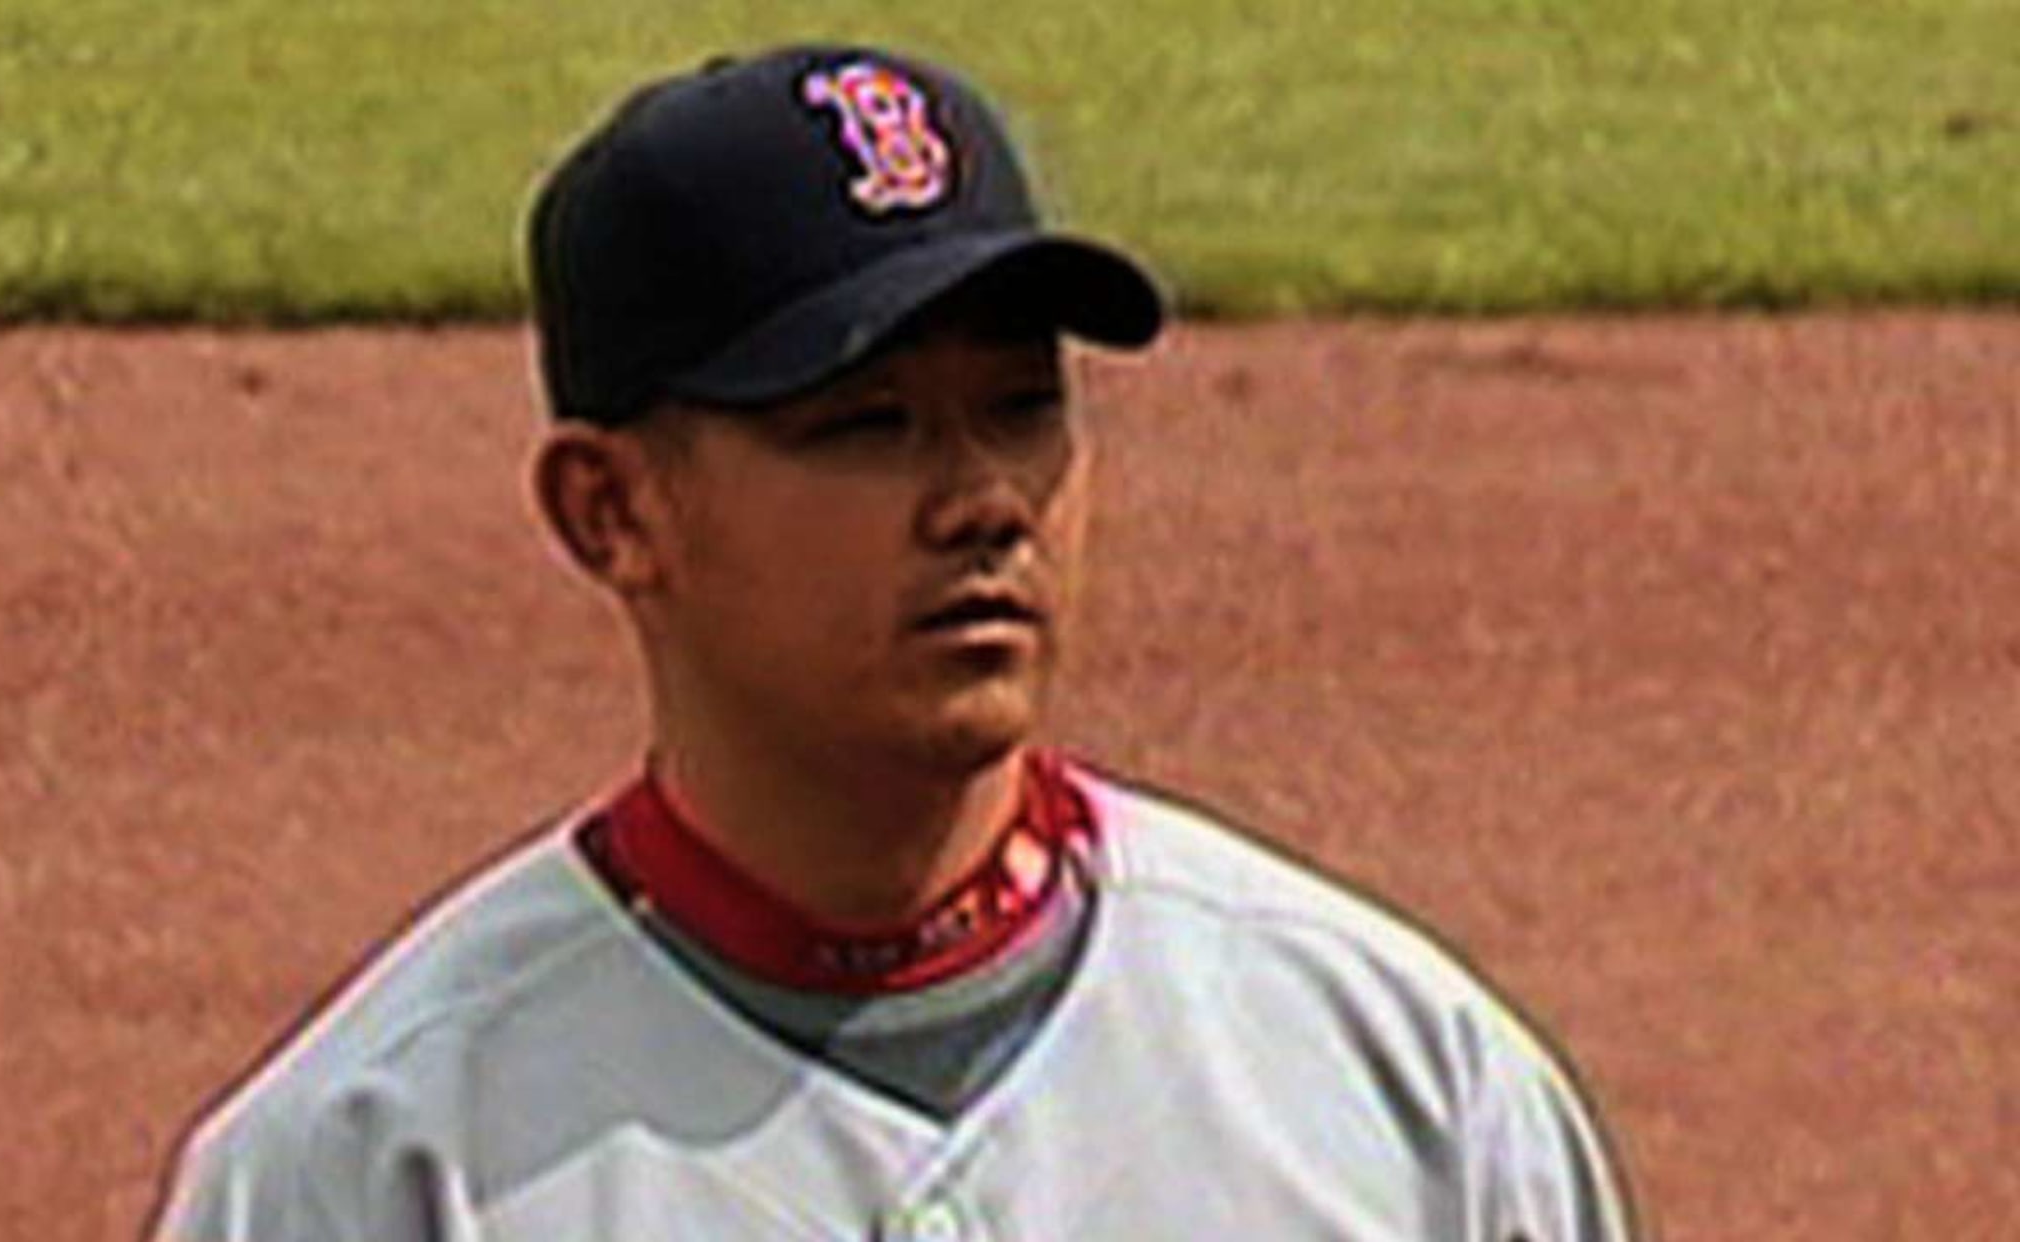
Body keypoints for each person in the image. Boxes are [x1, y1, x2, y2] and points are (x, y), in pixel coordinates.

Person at [149, 43, 1634, 1241]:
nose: (983, 500)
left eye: (1022, 408)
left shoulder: (1409, 1086)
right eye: (864, 426)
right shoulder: (372, 1169)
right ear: (612, 511)